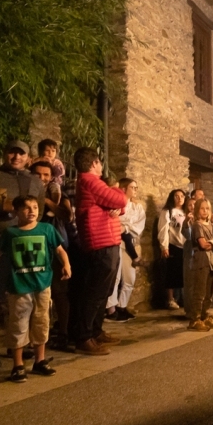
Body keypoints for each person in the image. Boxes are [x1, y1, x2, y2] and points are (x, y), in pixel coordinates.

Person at [0, 196, 71, 382]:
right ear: (16, 211)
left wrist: (66, 264)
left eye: (35, 207)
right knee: (18, 324)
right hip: (20, 287)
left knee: (41, 322)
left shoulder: (47, 229)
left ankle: (40, 360)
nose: (31, 211)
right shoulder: (11, 233)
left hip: (42, 285)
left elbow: (59, 249)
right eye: (26, 208)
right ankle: (18, 364)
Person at [0, 139, 45, 369]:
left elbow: (39, 211)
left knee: (23, 298)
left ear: (28, 157)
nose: (16, 157)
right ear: (5, 154)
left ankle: (18, 346)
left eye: (20, 153)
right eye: (12, 153)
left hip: (25, 245)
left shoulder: (34, 181)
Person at [72, 147, 127, 356]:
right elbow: (120, 200)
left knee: (103, 291)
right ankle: (84, 337)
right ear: (94, 163)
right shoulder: (90, 181)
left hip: (107, 242)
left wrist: (116, 205)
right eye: (100, 163)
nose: (101, 167)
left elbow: (118, 207)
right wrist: (117, 189)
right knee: (95, 293)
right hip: (100, 243)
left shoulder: (91, 183)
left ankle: (95, 331)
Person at [30, 159, 76, 347]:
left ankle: (63, 333)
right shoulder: (25, 192)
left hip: (54, 246)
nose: (42, 178)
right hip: (31, 248)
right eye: (38, 174)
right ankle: (29, 339)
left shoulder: (58, 193)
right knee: (30, 295)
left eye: (46, 175)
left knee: (59, 292)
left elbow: (67, 215)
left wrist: (46, 200)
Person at [106, 178, 144, 322]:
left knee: (129, 278)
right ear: (123, 188)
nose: (135, 190)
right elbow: (115, 221)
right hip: (116, 241)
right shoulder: (116, 205)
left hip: (129, 243)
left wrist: (126, 227)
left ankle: (122, 305)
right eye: (132, 187)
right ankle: (111, 308)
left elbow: (138, 226)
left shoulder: (137, 208)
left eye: (136, 187)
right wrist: (124, 225)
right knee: (115, 277)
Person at [186, 199, 213, 332]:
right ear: (197, 210)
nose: (205, 211)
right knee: (199, 292)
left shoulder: (212, 225)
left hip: (211, 260)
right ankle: (195, 319)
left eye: (207, 208)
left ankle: (204, 316)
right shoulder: (197, 226)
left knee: (208, 292)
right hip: (201, 260)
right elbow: (203, 245)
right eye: (202, 208)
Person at [157, 189, 187, 309]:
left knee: (183, 272)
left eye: (182, 196)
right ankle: (170, 299)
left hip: (185, 245)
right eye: (176, 196)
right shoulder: (168, 211)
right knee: (172, 272)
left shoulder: (185, 211)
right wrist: (164, 246)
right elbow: (163, 229)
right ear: (172, 197)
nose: (179, 198)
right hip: (173, 245)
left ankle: (181, 298)